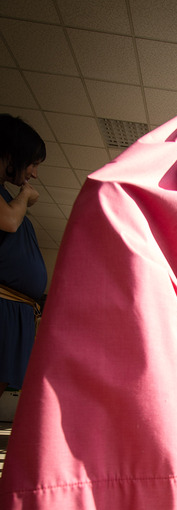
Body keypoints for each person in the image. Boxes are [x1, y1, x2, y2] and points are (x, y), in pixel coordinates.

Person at [0, 114, 48, 398]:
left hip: (15, 309)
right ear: (11, 154)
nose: (33, 173)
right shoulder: (13, 200)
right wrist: (25, 197)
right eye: (32, 164)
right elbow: (8, 221)